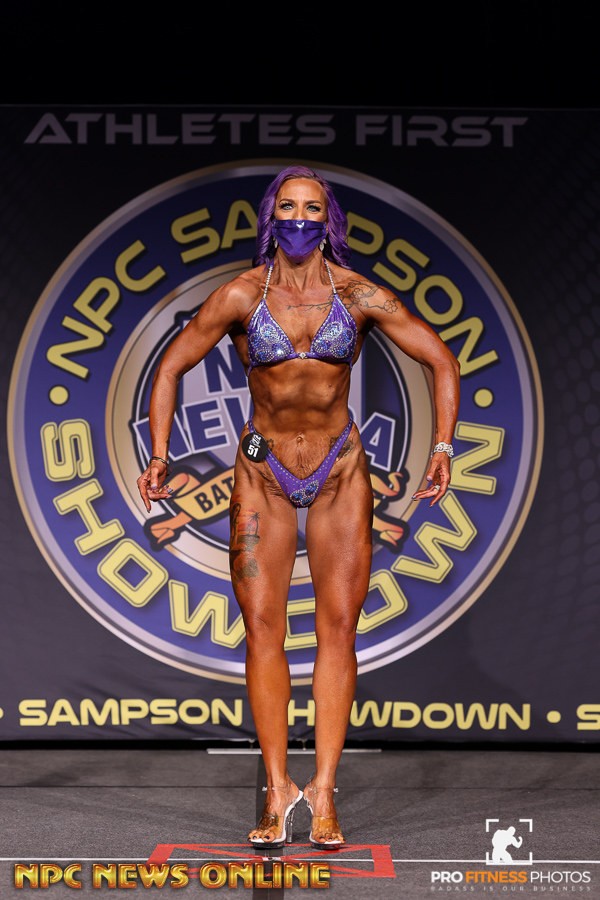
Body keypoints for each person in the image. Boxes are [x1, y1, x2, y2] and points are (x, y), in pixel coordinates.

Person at [136, 164, 460, 850]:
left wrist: (442, 447)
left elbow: (439, 358)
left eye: (313, 208)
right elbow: (169, 365)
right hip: (264, 476)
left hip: (341, 471)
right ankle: (279, 789)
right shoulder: (240, 295)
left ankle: (325, 790)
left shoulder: (359, 293)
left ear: (328, 219)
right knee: (263, 630)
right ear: (271, 215)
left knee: (339, 629)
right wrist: (159, 455)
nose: (301, 219)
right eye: (289, 206)